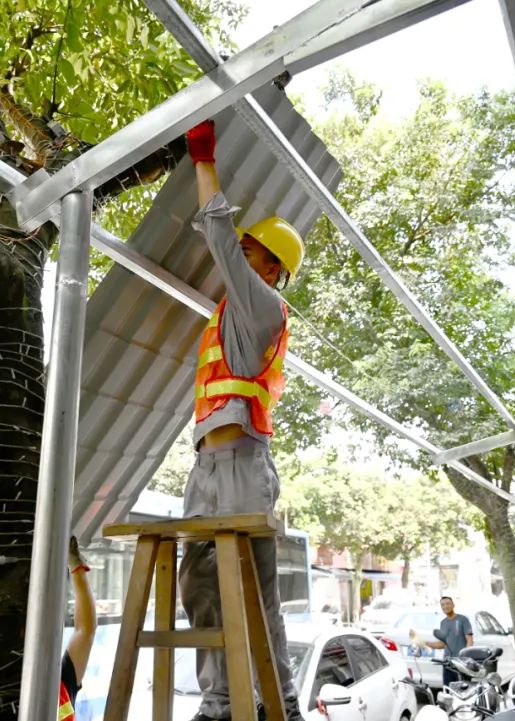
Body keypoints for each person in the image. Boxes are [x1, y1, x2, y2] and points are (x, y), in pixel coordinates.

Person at [178, 118, 306, 721]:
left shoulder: (265, 307)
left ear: (272, 269)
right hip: (205, 467)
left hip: (244, 467)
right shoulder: (228, 313)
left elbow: (219, 236)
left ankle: (282, 707)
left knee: (257, 598)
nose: (239, 255)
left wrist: (204, 161)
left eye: (251, 251)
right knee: (200, 589)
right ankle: (219, 705)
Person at [59, 536, 96, 720]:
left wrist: (76, 569)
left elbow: (85, 630)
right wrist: (76, 569)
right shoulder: (59, 683)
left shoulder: (58, 681)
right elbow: (85, 631)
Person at [410, 596, 473, 686]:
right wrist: (425, 644)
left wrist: (465, 659)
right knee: (448, 690)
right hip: (447, 664)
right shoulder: (443, 623)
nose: (445, 606)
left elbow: (470, 641)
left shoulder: (463, 619)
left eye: (448, 603)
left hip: (461, 664)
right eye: (443, 605)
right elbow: (443, 644)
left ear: (453, 605)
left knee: (463, 690)